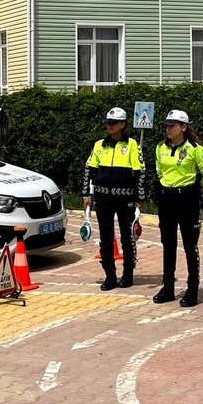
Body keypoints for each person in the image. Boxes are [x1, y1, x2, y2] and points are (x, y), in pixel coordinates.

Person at [151, 109, 203, 306]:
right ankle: (168, 287)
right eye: (166, 125)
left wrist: (194, 190)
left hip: (187, 199)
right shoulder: (160, 148)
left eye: (172, 125)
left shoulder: (195, 149)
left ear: (183, 127)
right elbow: (160, 171)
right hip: (167, 199)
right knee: (168, 244)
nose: (168, 129)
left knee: (189, 245)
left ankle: (192, 289)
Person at [83, 106, 146, 291]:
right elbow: (89, 169)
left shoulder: (132, 145)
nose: (109, 126)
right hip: (103, 197)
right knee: (106, 237)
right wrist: (86, 194)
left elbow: (140, 172)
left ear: (123, 124)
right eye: (108, 123)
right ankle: (110, 276)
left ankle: (128, 275)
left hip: (125, 197)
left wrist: (139, 197)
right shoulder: (99, 145)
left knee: (127, 237)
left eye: (113, 123)